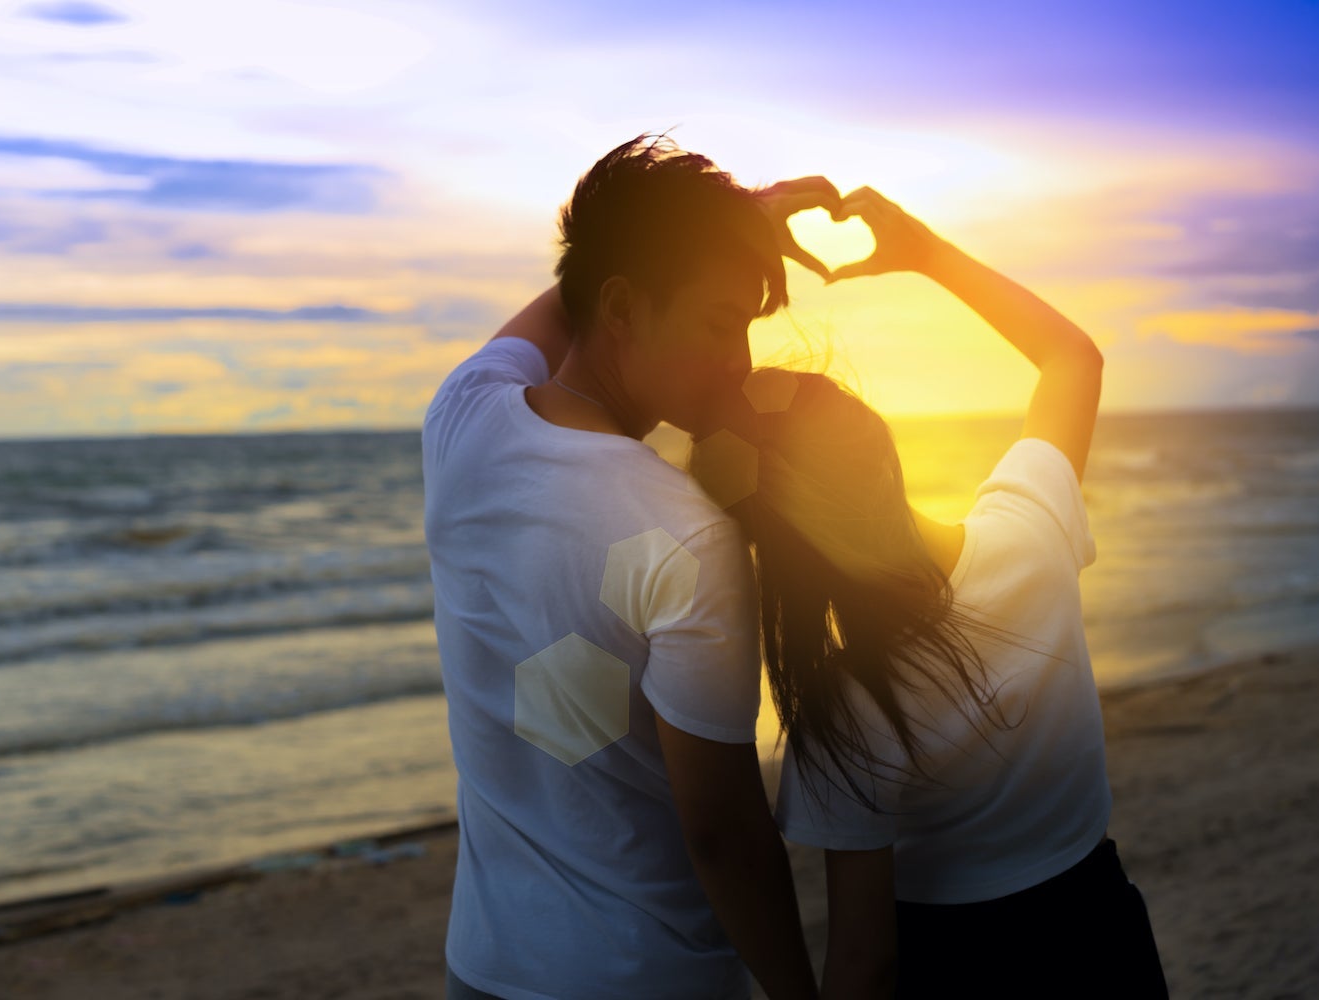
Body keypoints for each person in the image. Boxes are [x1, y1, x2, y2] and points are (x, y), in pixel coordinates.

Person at [687, 186, 1170, 999]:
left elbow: (865, 963)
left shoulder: (848, 709)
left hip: (955, 966)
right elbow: (1072, 358)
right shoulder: (1031, 532)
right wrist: (925, 254)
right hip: (1103, 934)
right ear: (881, 448)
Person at [422, 135, 832, 999]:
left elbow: (569, 303)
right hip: (647, 976)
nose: (740, 361)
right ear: (621, 307)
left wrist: (734, 220)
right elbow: (722, 831)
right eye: (719, 323)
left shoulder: (460, 423)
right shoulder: (687, 534)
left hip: (484, 968)